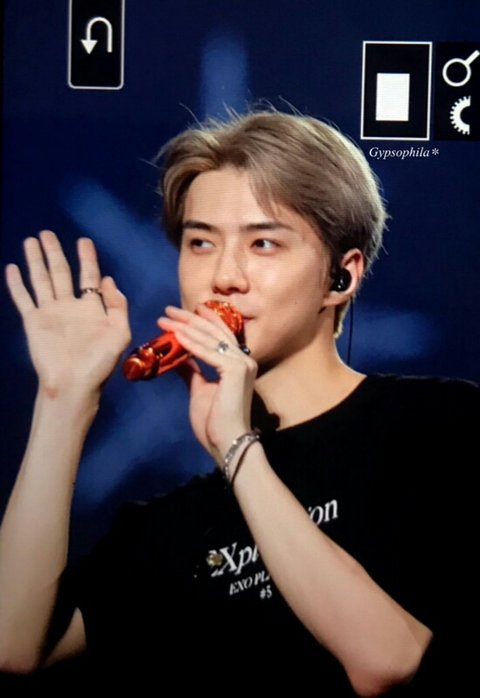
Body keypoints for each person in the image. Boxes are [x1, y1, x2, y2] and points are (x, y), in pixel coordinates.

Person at [0, 108, 478, 695]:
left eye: (263, 243)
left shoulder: (441, 427)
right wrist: (64, 396)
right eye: (200, 242)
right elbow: (14, 644)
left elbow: (386, 662)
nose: (224, 276)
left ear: (341, 276)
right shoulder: (167, 527)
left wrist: (236, 446)